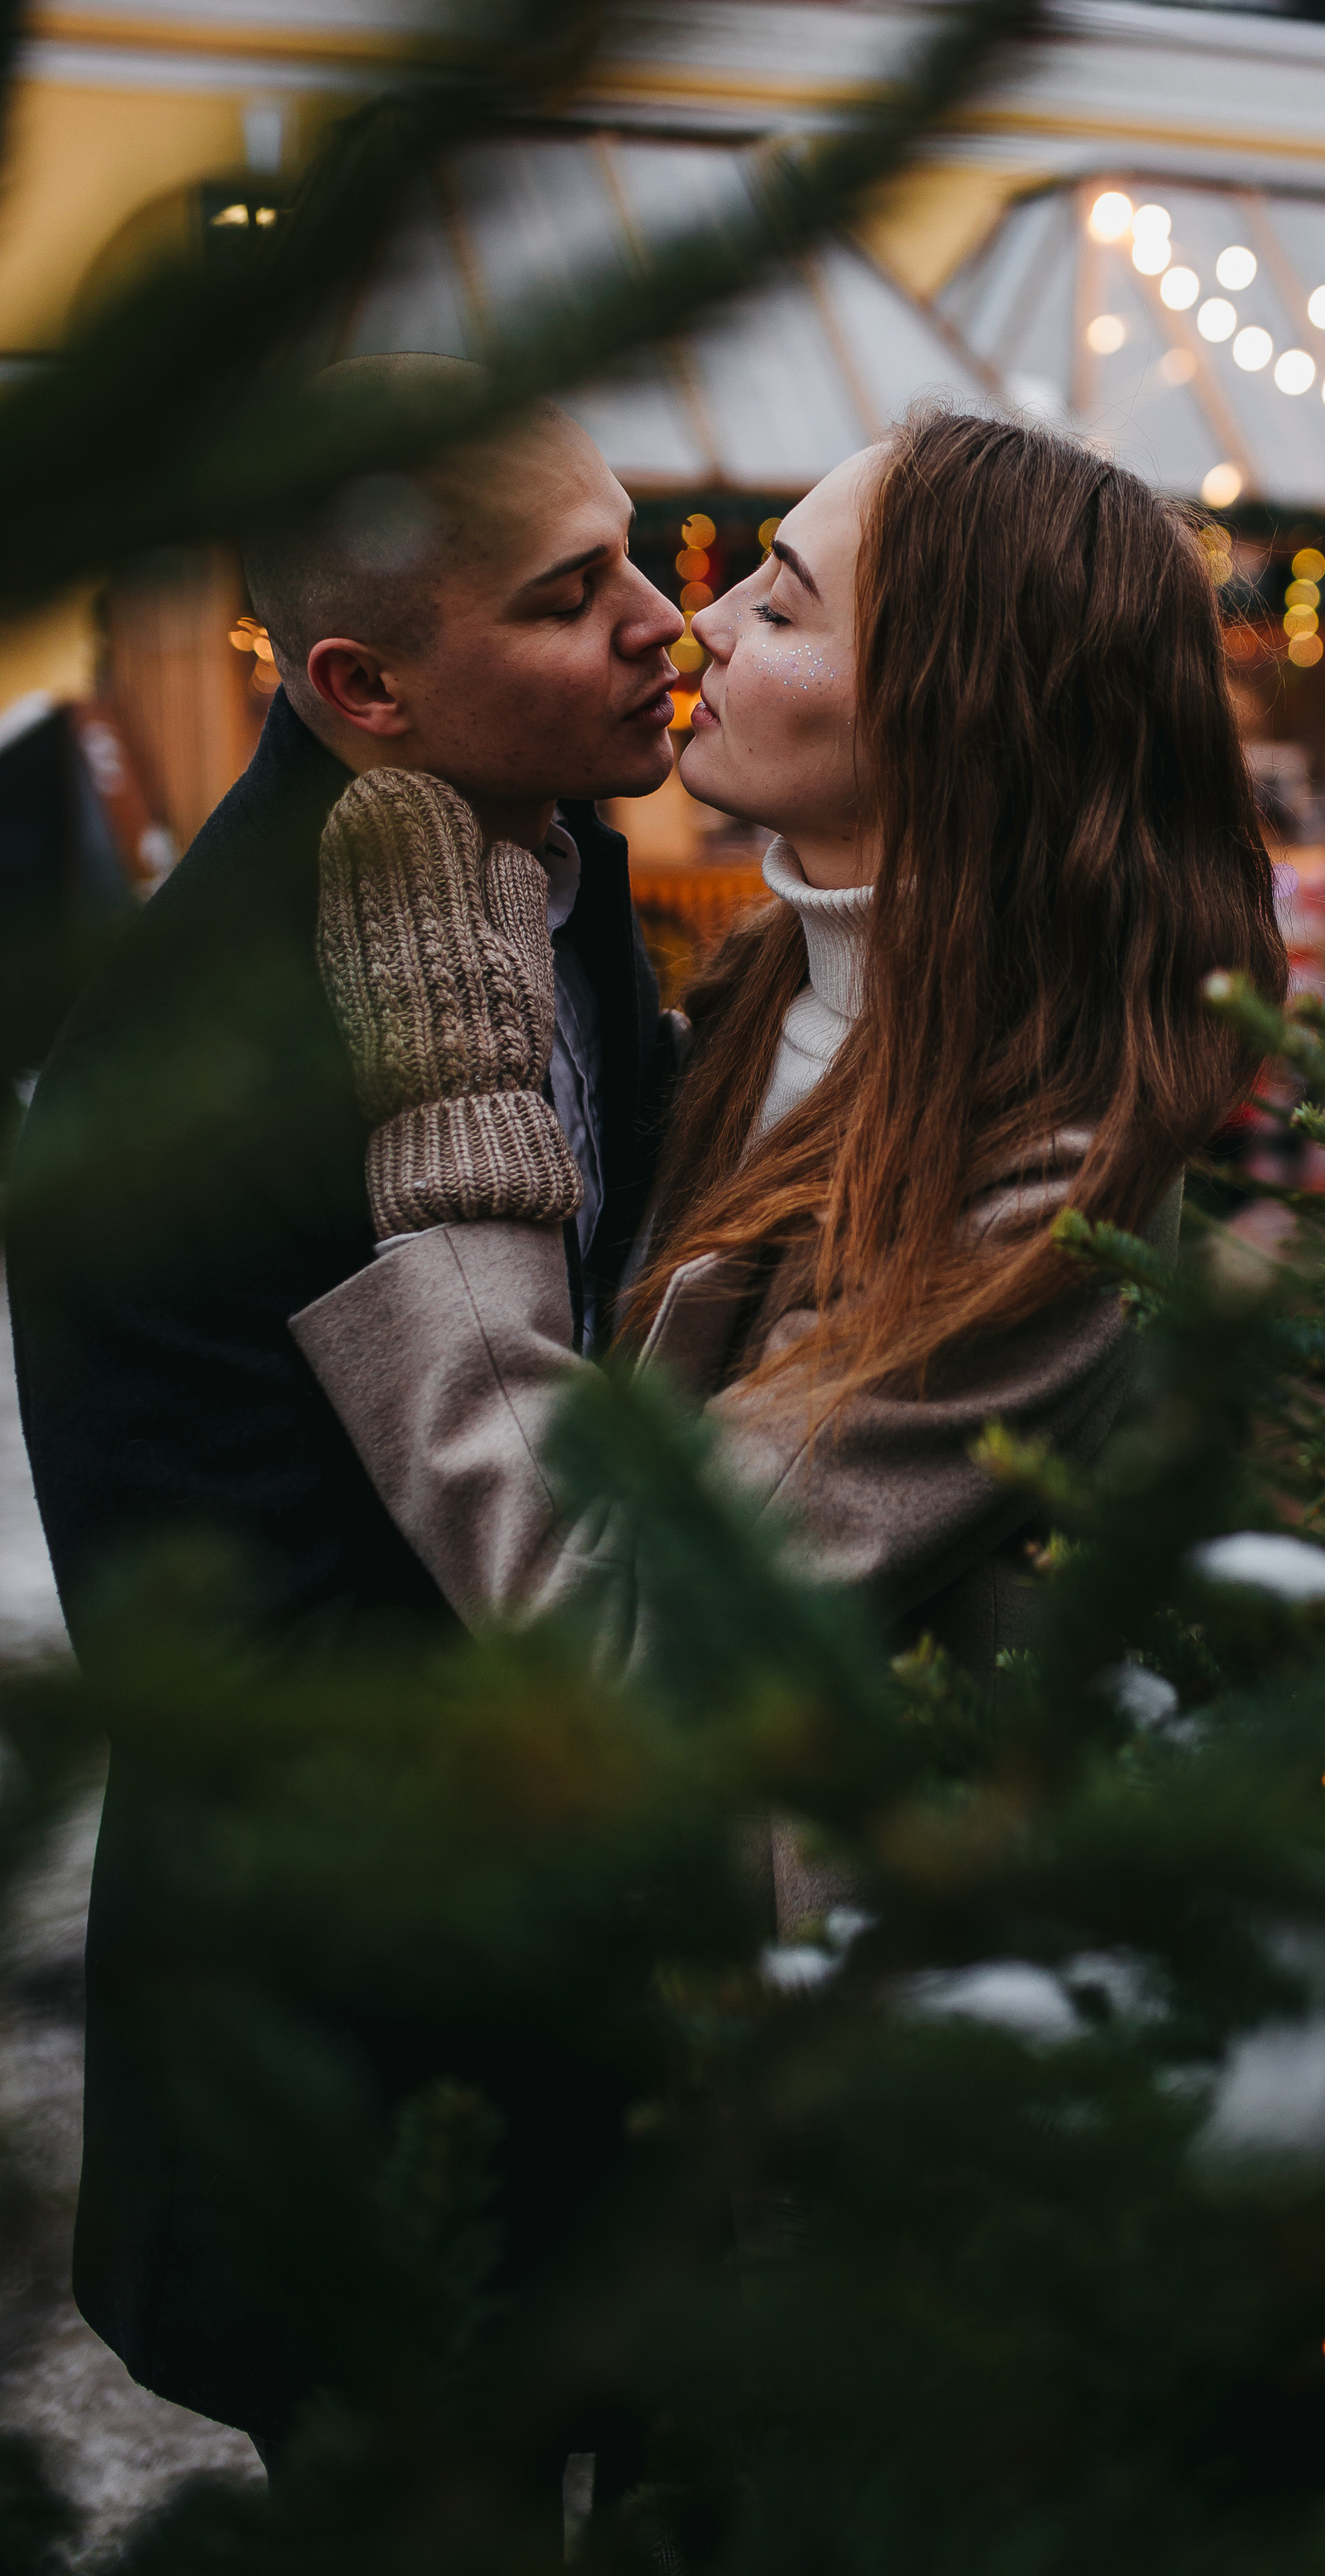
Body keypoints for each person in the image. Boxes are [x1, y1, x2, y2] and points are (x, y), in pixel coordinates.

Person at [289, 410, 1287, 1914]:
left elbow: (622, 1625)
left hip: (846, 2042)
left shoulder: (1051, 1185)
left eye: (783, 598)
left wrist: (456, 1129)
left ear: (955, 709)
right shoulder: (754, 1002)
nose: (703, 620)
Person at [6, 355, 685, 2452]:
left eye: (640, 550)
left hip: (580, 2007)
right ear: (367, 689)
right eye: (578, 593)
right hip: (369, 2047)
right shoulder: (214, 1054)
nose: (664, 620)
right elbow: (223, 1646)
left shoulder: (531, 865)